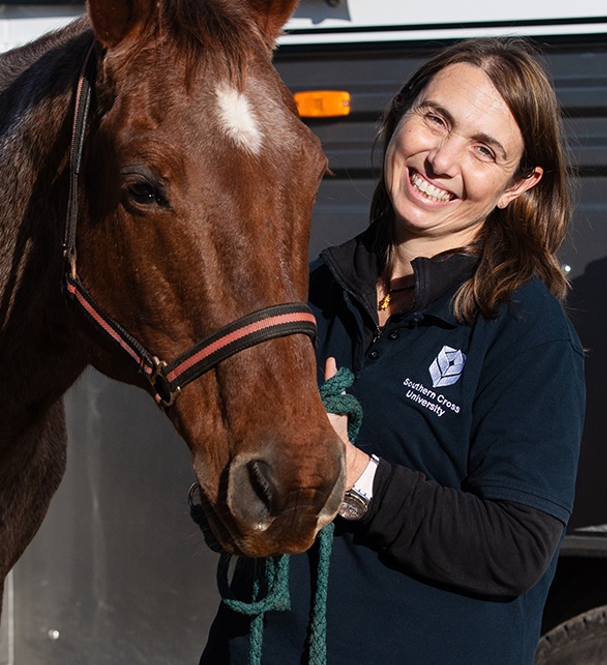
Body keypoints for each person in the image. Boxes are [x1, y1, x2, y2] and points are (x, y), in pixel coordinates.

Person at [200, 37, 586, 664]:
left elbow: (515, 549)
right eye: (436, 119)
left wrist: (350, 475)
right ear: (402, 110)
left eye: (483, 150)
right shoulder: (304, 293)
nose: (440, 160)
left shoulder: (527, 333)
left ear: (519, 185)